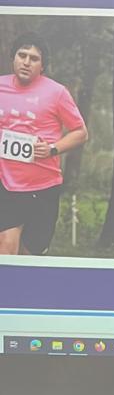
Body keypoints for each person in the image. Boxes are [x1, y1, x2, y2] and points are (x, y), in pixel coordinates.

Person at [0, 36, 87, 256]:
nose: (26, 62)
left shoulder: (57, 92)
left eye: (34, 58)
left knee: (30, 256)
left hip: (43, 187)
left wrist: (52, 149)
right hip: (6, 185)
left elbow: (80, 132)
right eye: (22, 55)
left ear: (43, 66)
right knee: (6, 247)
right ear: (13, 58)